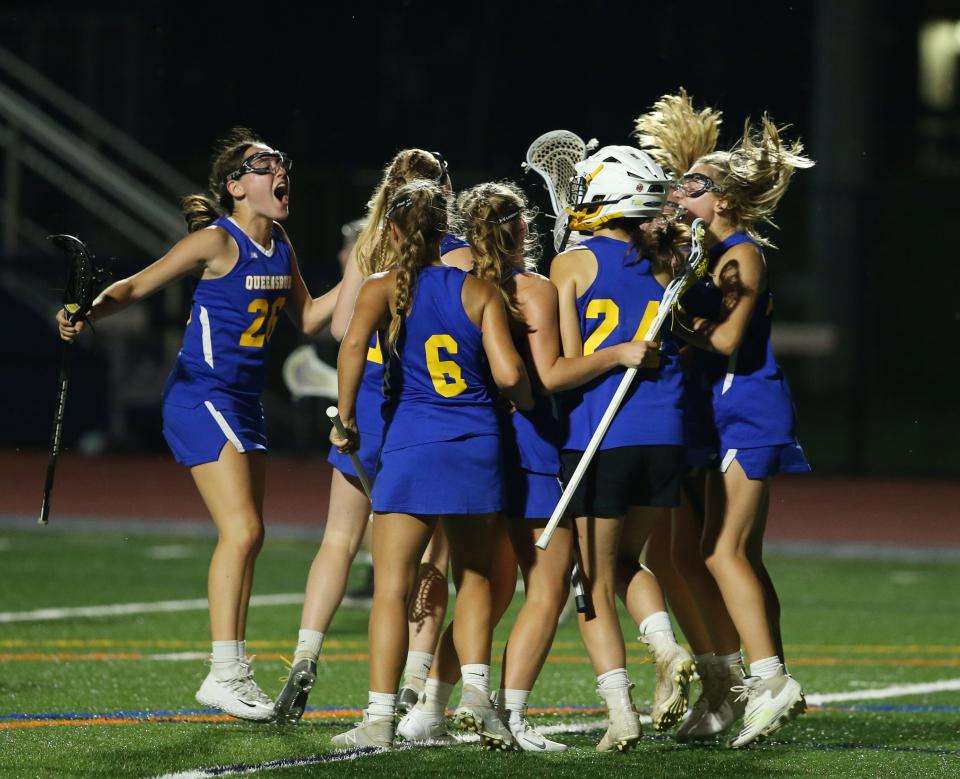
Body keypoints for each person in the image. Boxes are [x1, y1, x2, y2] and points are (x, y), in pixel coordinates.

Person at [56, 128, 339, 721]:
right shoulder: (217, 240)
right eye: (263, 164)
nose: (279, 170)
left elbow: (311, 318)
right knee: (243, 532)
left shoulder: (281, 244)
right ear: (236, 186)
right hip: (201, 397)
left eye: (281, 161)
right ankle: (224, 672)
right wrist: (86, 312)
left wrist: (371, 270)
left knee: (249, 535)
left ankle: (232, 671)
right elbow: (136, 285)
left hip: (243, 403)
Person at [397, 180, 658, 751]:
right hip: (531, 444)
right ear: (519, 227)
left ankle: (429, 709)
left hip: (473, 443)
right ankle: (510, 717)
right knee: (546, 588)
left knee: (485, 587)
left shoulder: (449, 281)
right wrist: (604, 357)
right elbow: (544, 376)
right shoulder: (530, 288)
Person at [330, 180, 533, 749]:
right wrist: (534, 407)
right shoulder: (481, 291)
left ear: (394, 230)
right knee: (474, 575)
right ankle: (473, 695)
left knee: (392, 588)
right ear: (447, 227)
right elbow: (511, 376)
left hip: (412, 448)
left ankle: (377, 720)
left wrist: (344, 420)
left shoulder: (383, 287)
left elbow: (349, 348)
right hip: (476, 446)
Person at [274, 149, 469, 724]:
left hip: (366, 402)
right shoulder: (457, 251)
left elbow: (337, 328)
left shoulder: (371, 246)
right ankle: (413, 682)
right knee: (433, 553)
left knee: (339, 537)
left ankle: (305, 655)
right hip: (424, 409)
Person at [671, 113, 814, 748]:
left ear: (724, 200)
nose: (680, 193)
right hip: (717, 412)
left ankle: (768, 679)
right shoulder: (707, 257)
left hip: (747, 411)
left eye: (693, 185)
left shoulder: (742, 254)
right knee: (728, 555)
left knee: (721, 552)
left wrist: (670, 325)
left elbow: (727, 338)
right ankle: (736, 690)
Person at [549, 146, 697, 751]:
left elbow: (560, 371)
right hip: (665, 435)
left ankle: (621, 714)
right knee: (630, 563)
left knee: (592, 578)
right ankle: (666, 647)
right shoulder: (670, 266)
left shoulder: (571, 265)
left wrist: (611, 354)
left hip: (599, 437)